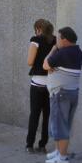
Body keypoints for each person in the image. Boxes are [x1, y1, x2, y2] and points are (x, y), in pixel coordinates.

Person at [43, 27, 82, 163]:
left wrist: (53, 50)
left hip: (61, 94)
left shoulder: (63, 52)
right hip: (71, 93)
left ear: (64, 40)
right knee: (62, 124)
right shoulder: (77, 51)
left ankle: (62, 157)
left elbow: (45, 64)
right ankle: (58, 151)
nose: (56, 41)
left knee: (60, 125)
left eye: (58, 38)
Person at [26, 19, 56, 153]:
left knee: (34, 115)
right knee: (46, 116)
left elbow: (29, 61)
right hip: (51, 83)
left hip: (37, 82)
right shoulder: (55, 41)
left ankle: (29, 145)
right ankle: (43, 145)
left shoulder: (35, 40)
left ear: (38, 29)